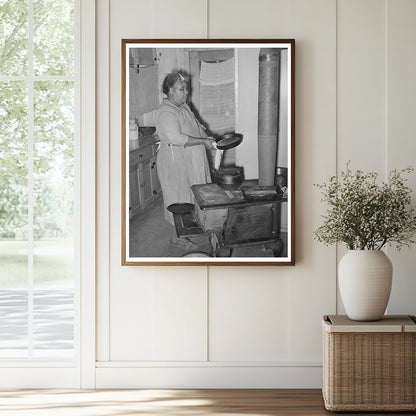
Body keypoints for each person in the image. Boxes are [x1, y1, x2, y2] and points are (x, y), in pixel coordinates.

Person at [155, 71, 216, 250]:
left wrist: (210, 140)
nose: (186, 92)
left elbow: (198, 127)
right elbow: (176, 138)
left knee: (195, 193)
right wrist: (203, 142)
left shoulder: (184, 107)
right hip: (175, 160)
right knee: (178, 197)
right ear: (170, 91)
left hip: (192, 158)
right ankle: (176, 237)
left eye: (186, 88)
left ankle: (195, 227)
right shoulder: (165, 112)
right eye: (182, 89)